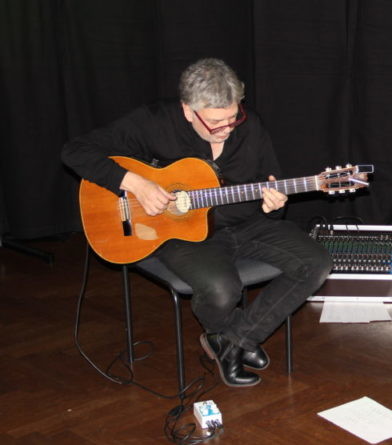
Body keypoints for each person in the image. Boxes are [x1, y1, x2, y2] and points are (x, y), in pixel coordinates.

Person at [63, 58, 333, 388]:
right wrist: (135, 183)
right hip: (181, 235)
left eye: (233, 117)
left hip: (246, 224)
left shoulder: (251, 127)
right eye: (216, 122)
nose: (227, 128)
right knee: (223, 289)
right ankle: (238, 336)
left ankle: (233, 341)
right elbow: (76, 151)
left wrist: (273, 204)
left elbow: (270, 192)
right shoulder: (154, 121)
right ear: (188, 110)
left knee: (316, 262)